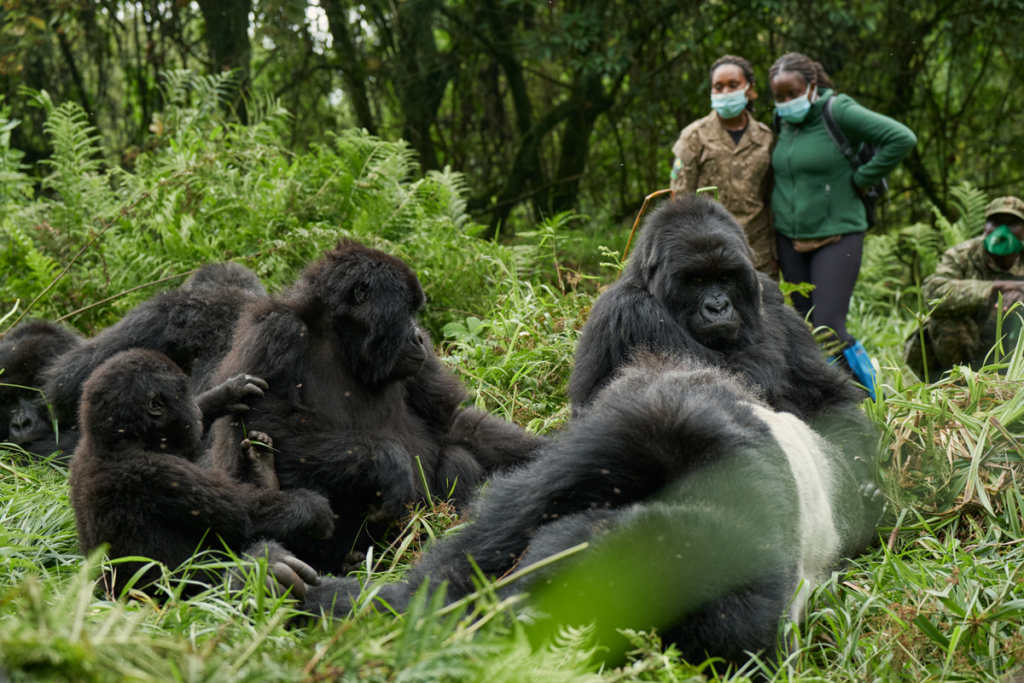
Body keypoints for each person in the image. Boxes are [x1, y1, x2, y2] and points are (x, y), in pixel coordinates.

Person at [769, 52, 917, 400]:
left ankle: (870, 399)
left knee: (829, 325)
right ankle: (824, 404)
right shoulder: (783, 122)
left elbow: (902, 138)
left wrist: (862, 177)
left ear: (812, 87)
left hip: (838, 234)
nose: (786, 102)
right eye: (779, 97)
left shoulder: (839, 111)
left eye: (793, 93)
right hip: (790, 238)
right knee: (803, 328)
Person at [670, 55, 776, 274]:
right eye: (718, 87)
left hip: (757, 251)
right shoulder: (694, 137)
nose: (726, 92)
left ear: (749, 89)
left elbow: (771, 199)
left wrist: (776, 254)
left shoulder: (765, 138)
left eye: (733, 85)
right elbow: (680, 202)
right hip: (709, 253)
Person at [905, 196, 1024, 382]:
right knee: (944, 318)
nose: (1002, 230)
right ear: (985, 227)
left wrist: (1020, 294)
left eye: (1013, 223)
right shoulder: (964, 255)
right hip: (966, 345)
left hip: (1010, 345)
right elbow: (933, 291)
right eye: (996, 222)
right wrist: (996, 288)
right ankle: (955, 385)